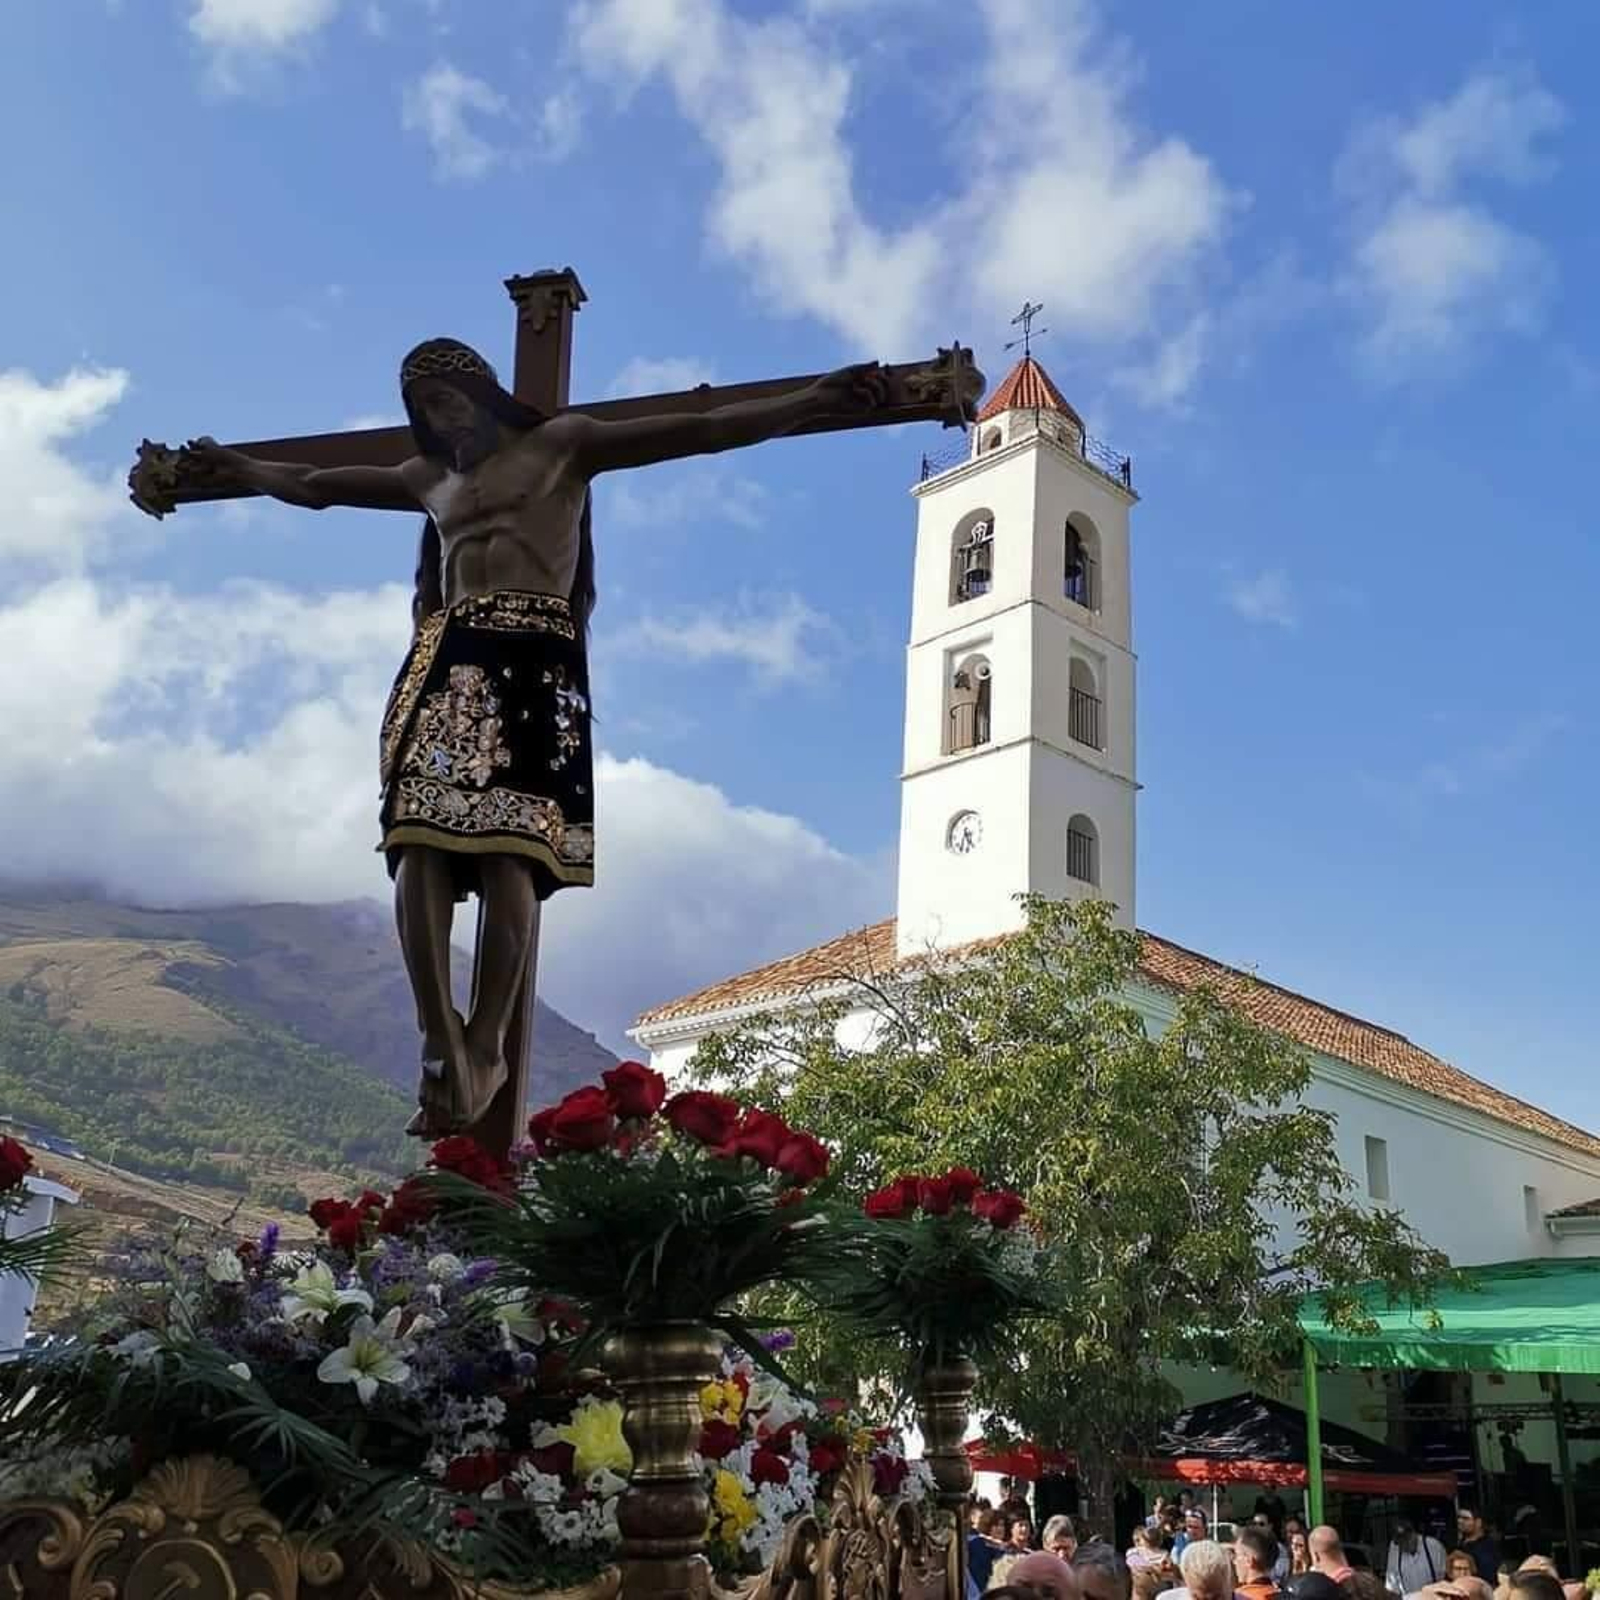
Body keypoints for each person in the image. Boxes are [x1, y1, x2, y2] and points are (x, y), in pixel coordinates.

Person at [189, 340, 889, 1137]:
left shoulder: (564, 445)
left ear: (483, 397)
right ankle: (437, 1034)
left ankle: (485, 1040)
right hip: (448, 659)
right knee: (417, 840)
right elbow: (314, 486)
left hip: (533, 660)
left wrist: (812, 400)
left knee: (510, 848)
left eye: (450, 402)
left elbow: (705, 427)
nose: (441, 420)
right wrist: (232, 466)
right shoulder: (430, 480)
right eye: (426, 412)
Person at [1386, 1520, 1447, 1596]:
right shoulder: (1394, 1551)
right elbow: (1392, 1587)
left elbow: (1445, 1578)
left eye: (1406, 1540)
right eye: (1400, 1543)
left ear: (1414, 1534)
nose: (1404, 1545)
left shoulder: (1434, 1547)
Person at [1234, 1527, 1284, 1600]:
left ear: (1249, 1561)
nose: (1234, 1562)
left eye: (1237, 1555)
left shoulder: (1238, 1597)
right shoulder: (1287, 1595)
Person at [1456, 1513, 1501, 1585]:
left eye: (1465, 1518)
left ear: (1478, 1522)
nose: (1460, 1521)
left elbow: (1487, 1579)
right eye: (1459, 1517)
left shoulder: (1486, 1547)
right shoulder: (1461, 1544)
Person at [970, 1508, 1007, 1591]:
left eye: (1002, 1525)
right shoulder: (977, 1545)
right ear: (987, 1525)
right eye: (996, 1525)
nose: (1000, 1528)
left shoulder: (1005, 1548)